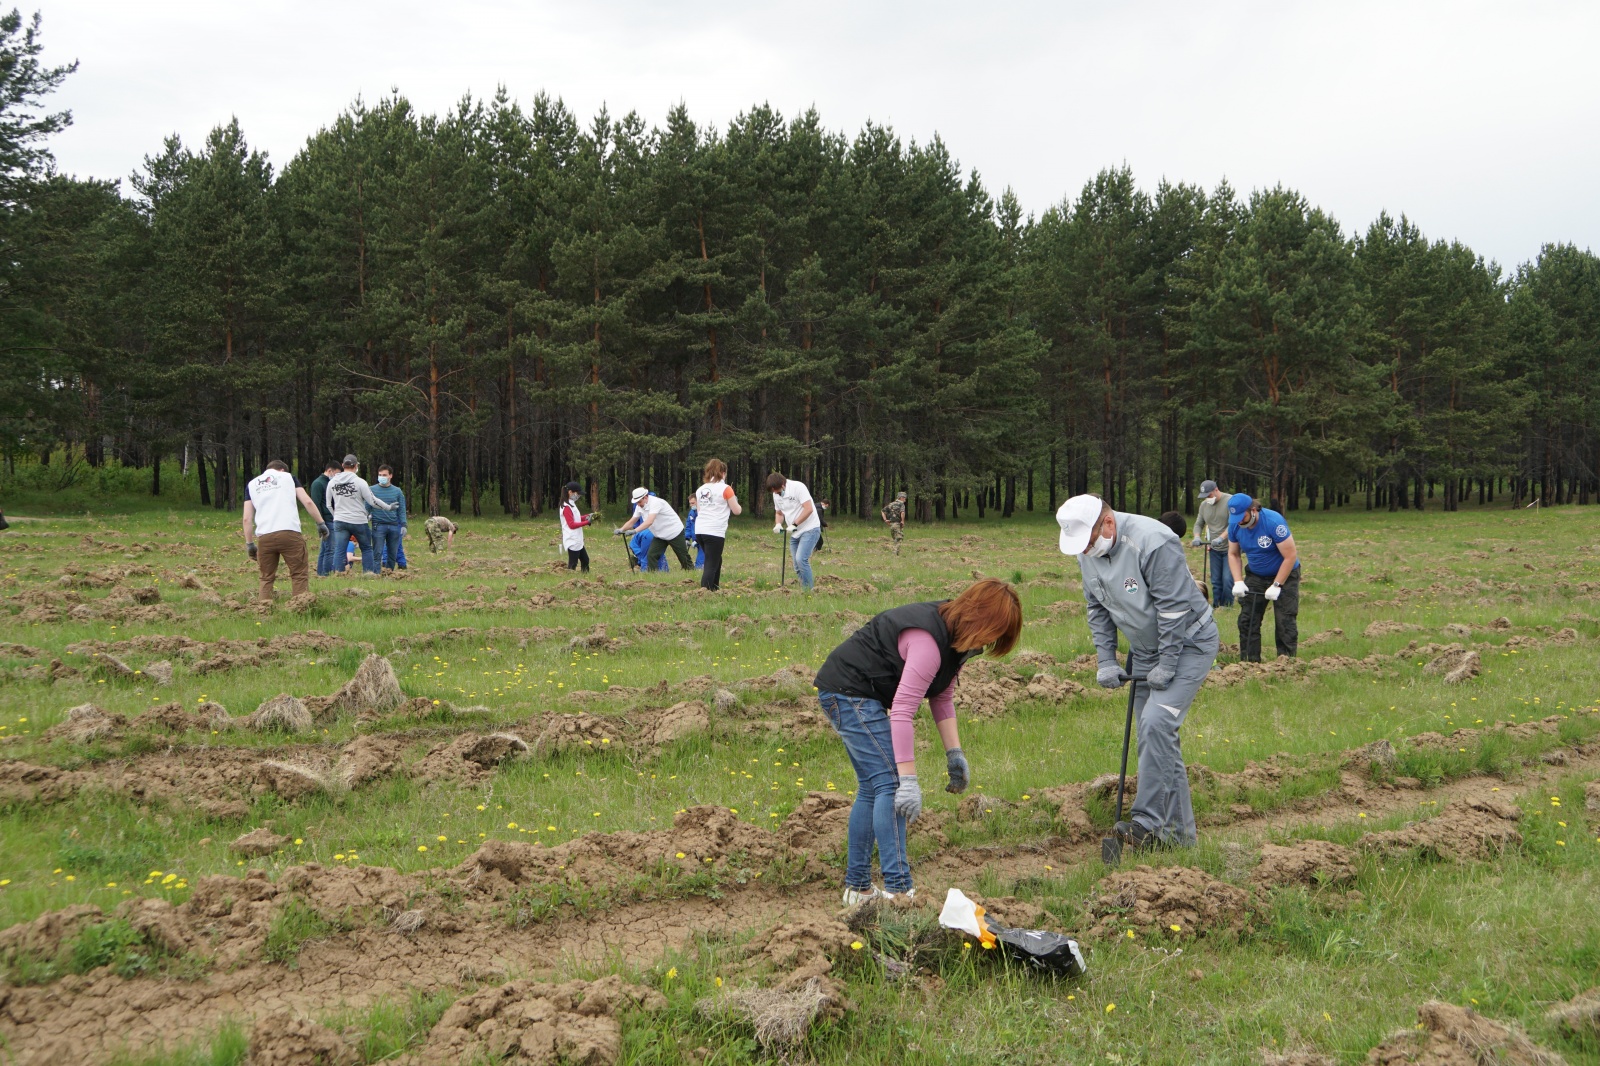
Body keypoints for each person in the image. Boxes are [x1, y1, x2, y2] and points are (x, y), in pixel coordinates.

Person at [812, 578, 1023, 903]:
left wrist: (955, 753)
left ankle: (858, 889)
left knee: (873, 787)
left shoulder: (956, 638)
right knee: (890, 784)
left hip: (851, 690)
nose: (992, 642)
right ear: (982, 618)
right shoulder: (928, 642)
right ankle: (901, 892)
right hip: (848, 692)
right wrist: (908, 780)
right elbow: (902, 713)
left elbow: (942, 695)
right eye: (995, 632)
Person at [1057, 493, 1218, 850]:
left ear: (1108, 524)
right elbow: (1097, 607)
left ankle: (1146, 823)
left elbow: (1174, 610)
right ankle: (1180, 838)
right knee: (1157, 736)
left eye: (1087, 544)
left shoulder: (1155, 541)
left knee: (1156, 723)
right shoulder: (1089, 553)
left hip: (1188, 644)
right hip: (1146, 650)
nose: (1084, 553)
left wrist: (1169, 663)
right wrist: (1106, 659)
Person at [1226, 493, 1301, 661]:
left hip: (1285, 575)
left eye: (1242, 516)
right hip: (1256, 575)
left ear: (1253, 510)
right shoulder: (1234, 525)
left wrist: (1277, 584)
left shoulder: (1273, 522)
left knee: (1285, 621)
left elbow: (1290, 556)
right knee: (1247, 619)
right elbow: (1233, 554)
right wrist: (1238, 581)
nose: (1239, 521)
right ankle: (1249, 662)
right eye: (1235, 517)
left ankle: (1286, 663)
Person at [242, 460, 328, 603]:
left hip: (265, 536)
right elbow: (307, 502)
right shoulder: (289, 477)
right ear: (282, 470)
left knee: (266, 577)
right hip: (290, 533)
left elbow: (246, 519)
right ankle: (299, 607)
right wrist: (320, 523)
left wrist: (250, 544)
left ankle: (263, 609)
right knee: (298, 574)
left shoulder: (252, 485)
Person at [325, 455, 394, 575]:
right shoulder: (360, 482)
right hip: (359, 521)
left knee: (340, 550)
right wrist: (388, 507)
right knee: (366, 548)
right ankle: (368, 574)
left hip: (340, 520)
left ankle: (339, 574)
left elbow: (328, 505)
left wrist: (336, 515)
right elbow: (372, 501)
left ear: (342, 466)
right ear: (356, 466)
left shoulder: (332, 483)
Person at [766, 472, 822, 592]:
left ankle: (809, 591)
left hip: (810, 528)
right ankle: (804, 588)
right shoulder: (776, 494)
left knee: (801, 559)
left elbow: (809, 509)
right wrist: (778, 524)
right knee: (797, 566)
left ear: (783, 484)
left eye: (777, 491)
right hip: (795, 532)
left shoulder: (798, 487)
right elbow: (779, 513)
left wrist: (795, 524)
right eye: (774, 492)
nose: (776, 494)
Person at [693, 458, 742, 590]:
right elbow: (736, 510)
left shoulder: (700, 489)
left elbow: (699, 511)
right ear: (723, 473)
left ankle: (715, 587)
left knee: (715, 559)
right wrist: (735, 500)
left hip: (700, 530)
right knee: (711, 563)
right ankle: (705, 591)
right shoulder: (726, 488)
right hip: (714, 531)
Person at [617, 487, 693, 572]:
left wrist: (635, 531)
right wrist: (621, 529)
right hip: (660, 535)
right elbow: (632, 521)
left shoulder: (656, 502)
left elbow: (649, 521)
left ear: (645, 497)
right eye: (636, 502)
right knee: (651, 555)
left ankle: (690, 573)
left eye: (639, 502)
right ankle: (652, 575)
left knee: (683, 556)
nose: (638, 504)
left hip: (674, 533)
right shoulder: (640, 507)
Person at [1192, 480, 1233, 609]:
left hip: (1230, 548)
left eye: (1209, 495)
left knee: (1227, 579)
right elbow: (1199, 524)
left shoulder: (1230, 501)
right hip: (1214, 548)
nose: (1207, 499)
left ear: (1216, 490)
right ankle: (1216, 605)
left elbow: (1234, 524)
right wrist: (1197, 537)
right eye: (1204, 497)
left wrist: (1221, 538)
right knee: (1215, 580)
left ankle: (1227, 605)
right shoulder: (1204, 506)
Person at [369, 464, 408, 572]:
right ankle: (376, 574)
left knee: (392, 553)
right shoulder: (371, 490)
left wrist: (404, 524)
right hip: (378, 525)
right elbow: (367, 506)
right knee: (377, 552)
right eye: (380, 475)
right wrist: (366, 516)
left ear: (390, 476)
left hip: (394, 526)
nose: (382, 477)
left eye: (384, 475)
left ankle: (389, 573)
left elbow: (401, 509)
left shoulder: (397, 491)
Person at [307, 461, 340, 577]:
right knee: (330, 549)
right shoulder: (318, 483)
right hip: (326, 521)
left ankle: (320, 574)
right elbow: (316, 504)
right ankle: (326, 574)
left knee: (324, 549)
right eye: (336, 473)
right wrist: (320, 522)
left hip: (332, 519)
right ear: (330, 470)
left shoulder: (331, 483)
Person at [560, 481, 599, 572]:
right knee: (573, 564)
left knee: (585, 560)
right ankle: (569, 581)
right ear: (570, 492)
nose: (578, 496)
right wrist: (587, 522)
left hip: (577, 539)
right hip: (572, 540)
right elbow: (572, 524)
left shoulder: (571, 503)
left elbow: (576, 518)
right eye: (577, 493)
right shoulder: (566, 507)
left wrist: (587, 516)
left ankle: (585, 578)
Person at [881, 491, 908, 556]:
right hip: (897, 524)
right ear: (901, 498)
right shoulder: (901, 504)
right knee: (899, 539)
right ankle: (894, 554)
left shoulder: (891, 504)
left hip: (891, 525)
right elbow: (902, 512)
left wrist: (885, 520)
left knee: (895, 539)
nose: (905, 499)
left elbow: (882, 511)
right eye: (904, 498)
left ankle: (897, 554)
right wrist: (902, 521)